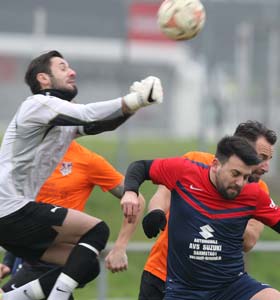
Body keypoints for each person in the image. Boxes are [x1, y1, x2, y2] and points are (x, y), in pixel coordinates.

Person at [0, 50, 162, 300]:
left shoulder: (60, 121)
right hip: (10, 209)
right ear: (43, 79)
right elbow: (88, 113)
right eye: (63, 67)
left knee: (85, 264)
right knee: (97, 230)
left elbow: (100, 123)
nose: (72, 71)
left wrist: (136, 106)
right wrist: (134, 99)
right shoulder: (38, 104)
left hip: (13, 217)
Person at [121, 135, 280, 299]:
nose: (240, 182)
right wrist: (131, 192)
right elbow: (140, 167)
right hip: (184, 291)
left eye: (246, 177)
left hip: (232, 286)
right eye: (235, 174)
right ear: (216, 165)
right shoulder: (185, 172)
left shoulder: (252, 194)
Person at [0, 140, 145, 297]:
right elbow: (15, 210)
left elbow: (137, 199)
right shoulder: (24, 156)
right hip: (26, 252)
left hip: (62, 257)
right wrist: (8, 260)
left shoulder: (86, 160)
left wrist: (120, 247)